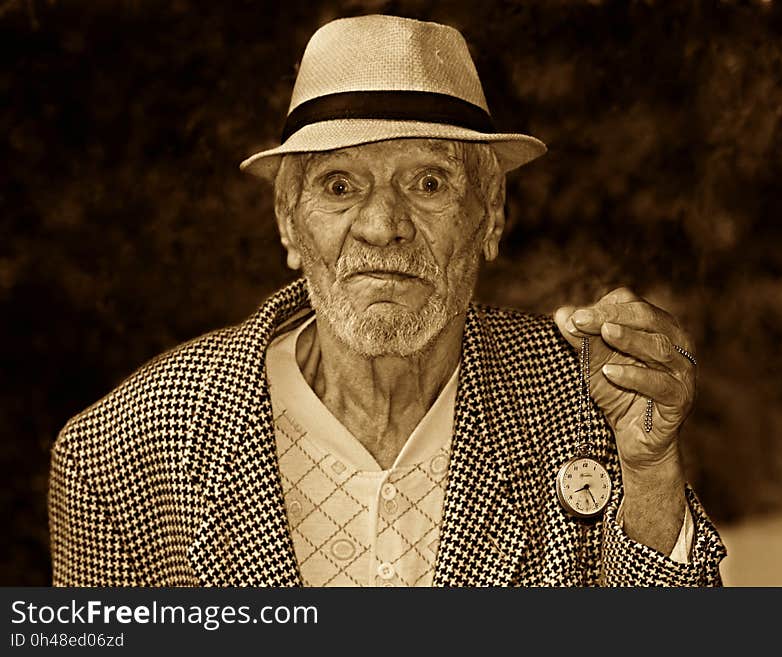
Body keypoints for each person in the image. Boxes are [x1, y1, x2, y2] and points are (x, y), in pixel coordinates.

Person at [49, 14, 726, 586]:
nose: (382, 224)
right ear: (288, 219)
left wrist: (648, 470)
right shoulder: (121, 453)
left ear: (490, 216)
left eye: (429, 182)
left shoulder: (586, 405)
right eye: (340, 186)